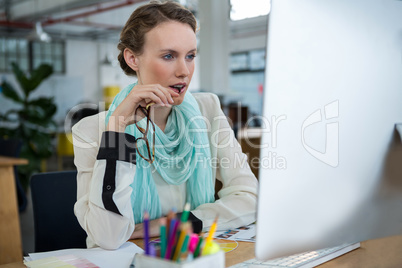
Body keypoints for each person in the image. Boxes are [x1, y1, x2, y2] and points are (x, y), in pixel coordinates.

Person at [72, 0, 258, 250]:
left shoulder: (207, 110)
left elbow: (250, 198)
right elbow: (107, 236)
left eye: (190, 56)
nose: (184, 71)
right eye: (169, 56)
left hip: (190, 253)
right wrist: (116, 131)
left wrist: (171, 225)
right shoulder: (92, 130)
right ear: (132, 59)